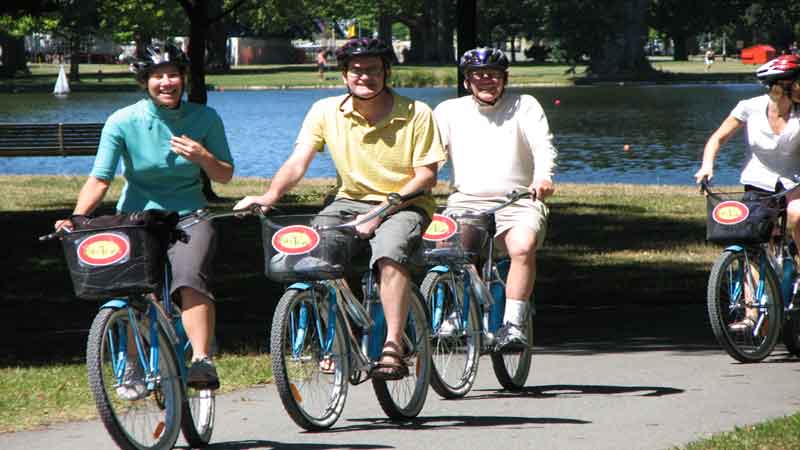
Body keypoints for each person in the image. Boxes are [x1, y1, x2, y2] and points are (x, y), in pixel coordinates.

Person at [235, 37, 446, 380]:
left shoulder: (417, 112)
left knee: (390, 253)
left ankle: (393, 344)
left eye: (374, 70)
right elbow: (298, 161)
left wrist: (380, 211)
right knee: (312, 252)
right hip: (347, 201)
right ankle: (339, 336)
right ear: (344, 75)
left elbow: (426, 176)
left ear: (387, 72)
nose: (365, 77)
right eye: (357, 70)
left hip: (406, 202)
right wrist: (270, 195)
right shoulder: (325, 110)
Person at [55, 43, 234, 395]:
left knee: (188, 279)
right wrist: (78, 217)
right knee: (135, 290)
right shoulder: (123, 121)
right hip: (137, 218)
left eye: (172, 75)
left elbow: (225, 175)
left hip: (189, 215)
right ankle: (134, 362)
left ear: (183, 78)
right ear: (144, 82)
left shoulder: (205, 119)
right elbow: (100, 177)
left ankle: (200, 360)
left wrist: (202, 156)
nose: (166, 82)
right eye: (157, 76)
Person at [433, 48, 557, 350]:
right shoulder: (449, 111)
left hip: (518, 199)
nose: (486, 80)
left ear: (505, 78)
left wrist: (543, 176)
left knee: (522, 246)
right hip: (466, 200)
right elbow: (432, 156)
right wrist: (422, 181)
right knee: (448, 250)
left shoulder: (524, 105)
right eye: (478, 75)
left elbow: (542, 146)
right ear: (466, 82)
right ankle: (456, 312)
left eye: (494, 74)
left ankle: (513, 323)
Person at [694, 54, 800, 330]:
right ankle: (752, 313)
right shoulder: (749, 107)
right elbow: (717, 138)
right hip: (758, 180)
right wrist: (707, 166)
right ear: (780, 86)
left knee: (796, 214)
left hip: (795, 180)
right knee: (751, 242)